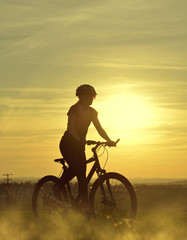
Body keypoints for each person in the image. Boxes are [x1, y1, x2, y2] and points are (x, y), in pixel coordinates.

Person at [54, 84, 116, 211]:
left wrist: (109, 140)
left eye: (93, 97)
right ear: (81, 97)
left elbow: (99, 129)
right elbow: (70, 128)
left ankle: (85, 209)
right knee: (76, 167)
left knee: (83, 176)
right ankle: (58, 187)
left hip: (79, 146)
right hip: (67, 144)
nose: (91, 99)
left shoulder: (92, 112)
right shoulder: (74, 109)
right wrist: (78, 139)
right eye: (89, 97)